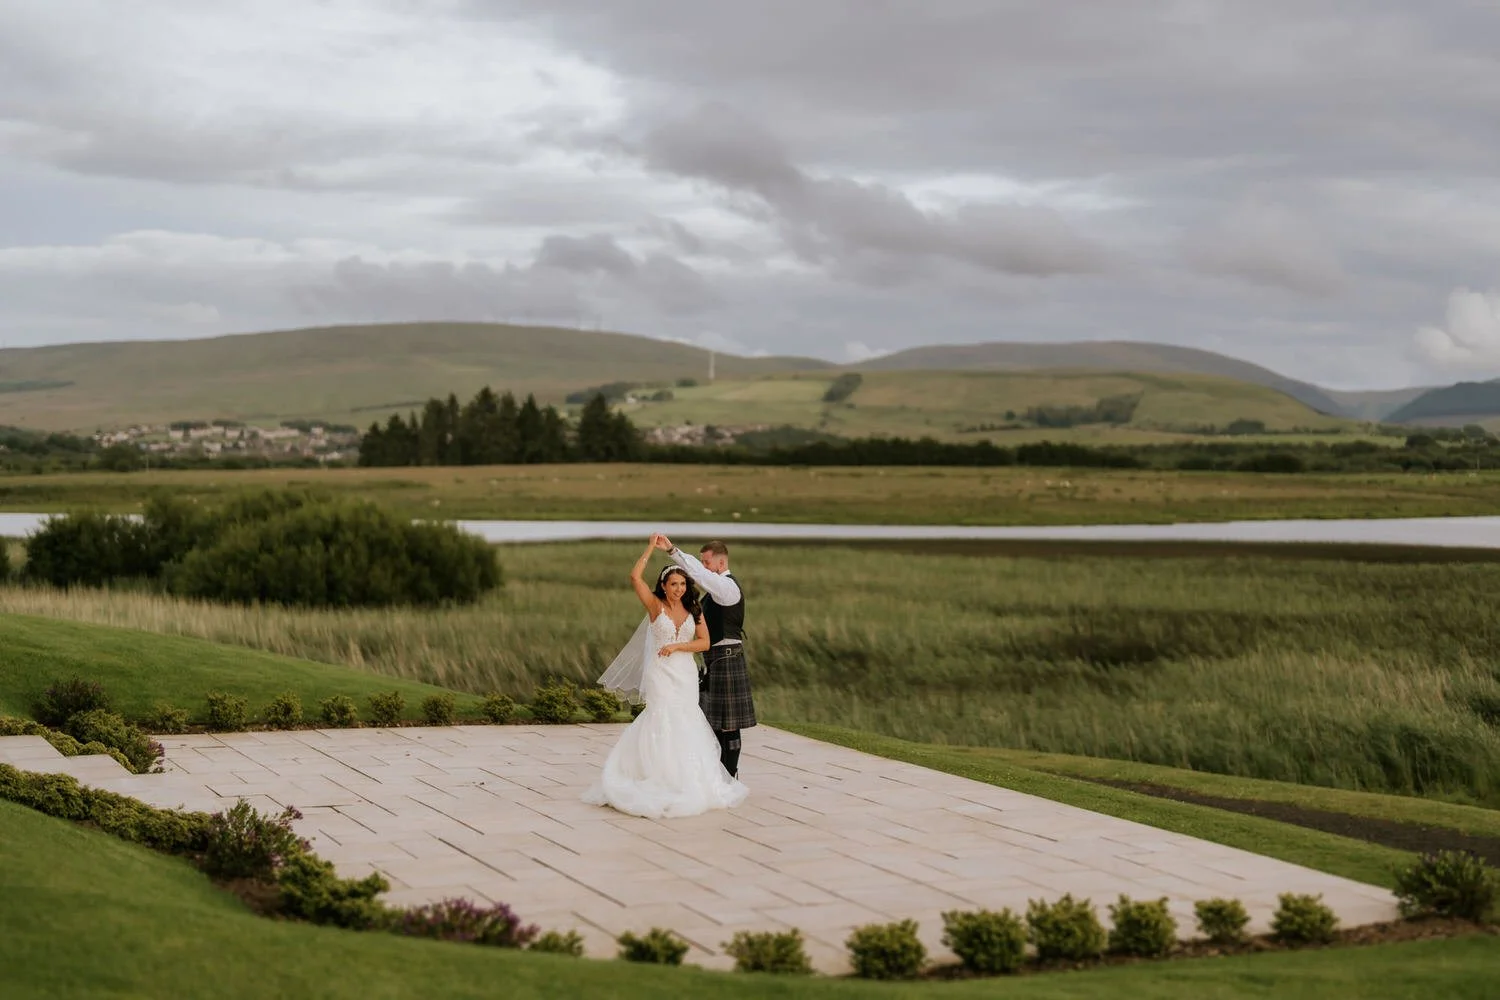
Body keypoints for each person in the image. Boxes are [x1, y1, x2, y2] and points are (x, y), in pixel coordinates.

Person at [581, 536, 748, 818]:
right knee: (660, 717)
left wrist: (679, 646)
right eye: (674, 584)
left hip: (684, 671)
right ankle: (656, 776)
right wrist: (651, 548)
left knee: (688, 720)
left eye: (683, 585)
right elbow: (635, 577)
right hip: (660, 673)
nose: (679, 589)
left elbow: (704, 642)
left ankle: (690, 779)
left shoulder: (699, 605)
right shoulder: (655, 607)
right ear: (664, 586)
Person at [654, 534, 755, 779]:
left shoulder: (727, 588)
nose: (703, 566)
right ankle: (717, 775)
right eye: (701, 561)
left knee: (729, 725)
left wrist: (672, 551)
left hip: (727, 660)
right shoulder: (714, 591)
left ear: (720, 564)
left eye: (707, 562)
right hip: (716, 661)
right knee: (714, 724)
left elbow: (700, 575)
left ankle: (730, 776)